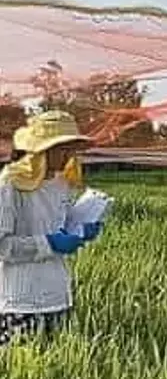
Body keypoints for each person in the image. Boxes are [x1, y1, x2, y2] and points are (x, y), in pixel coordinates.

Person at [0, 111, 101, 346]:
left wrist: (80, 229)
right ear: (42, 149)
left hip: (58, 296)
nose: (69, 156)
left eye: (72, 148)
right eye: (62, 148)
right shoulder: (10, 186)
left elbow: (58, 226)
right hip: (19, 302)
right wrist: (49, 243)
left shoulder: (61, 183)